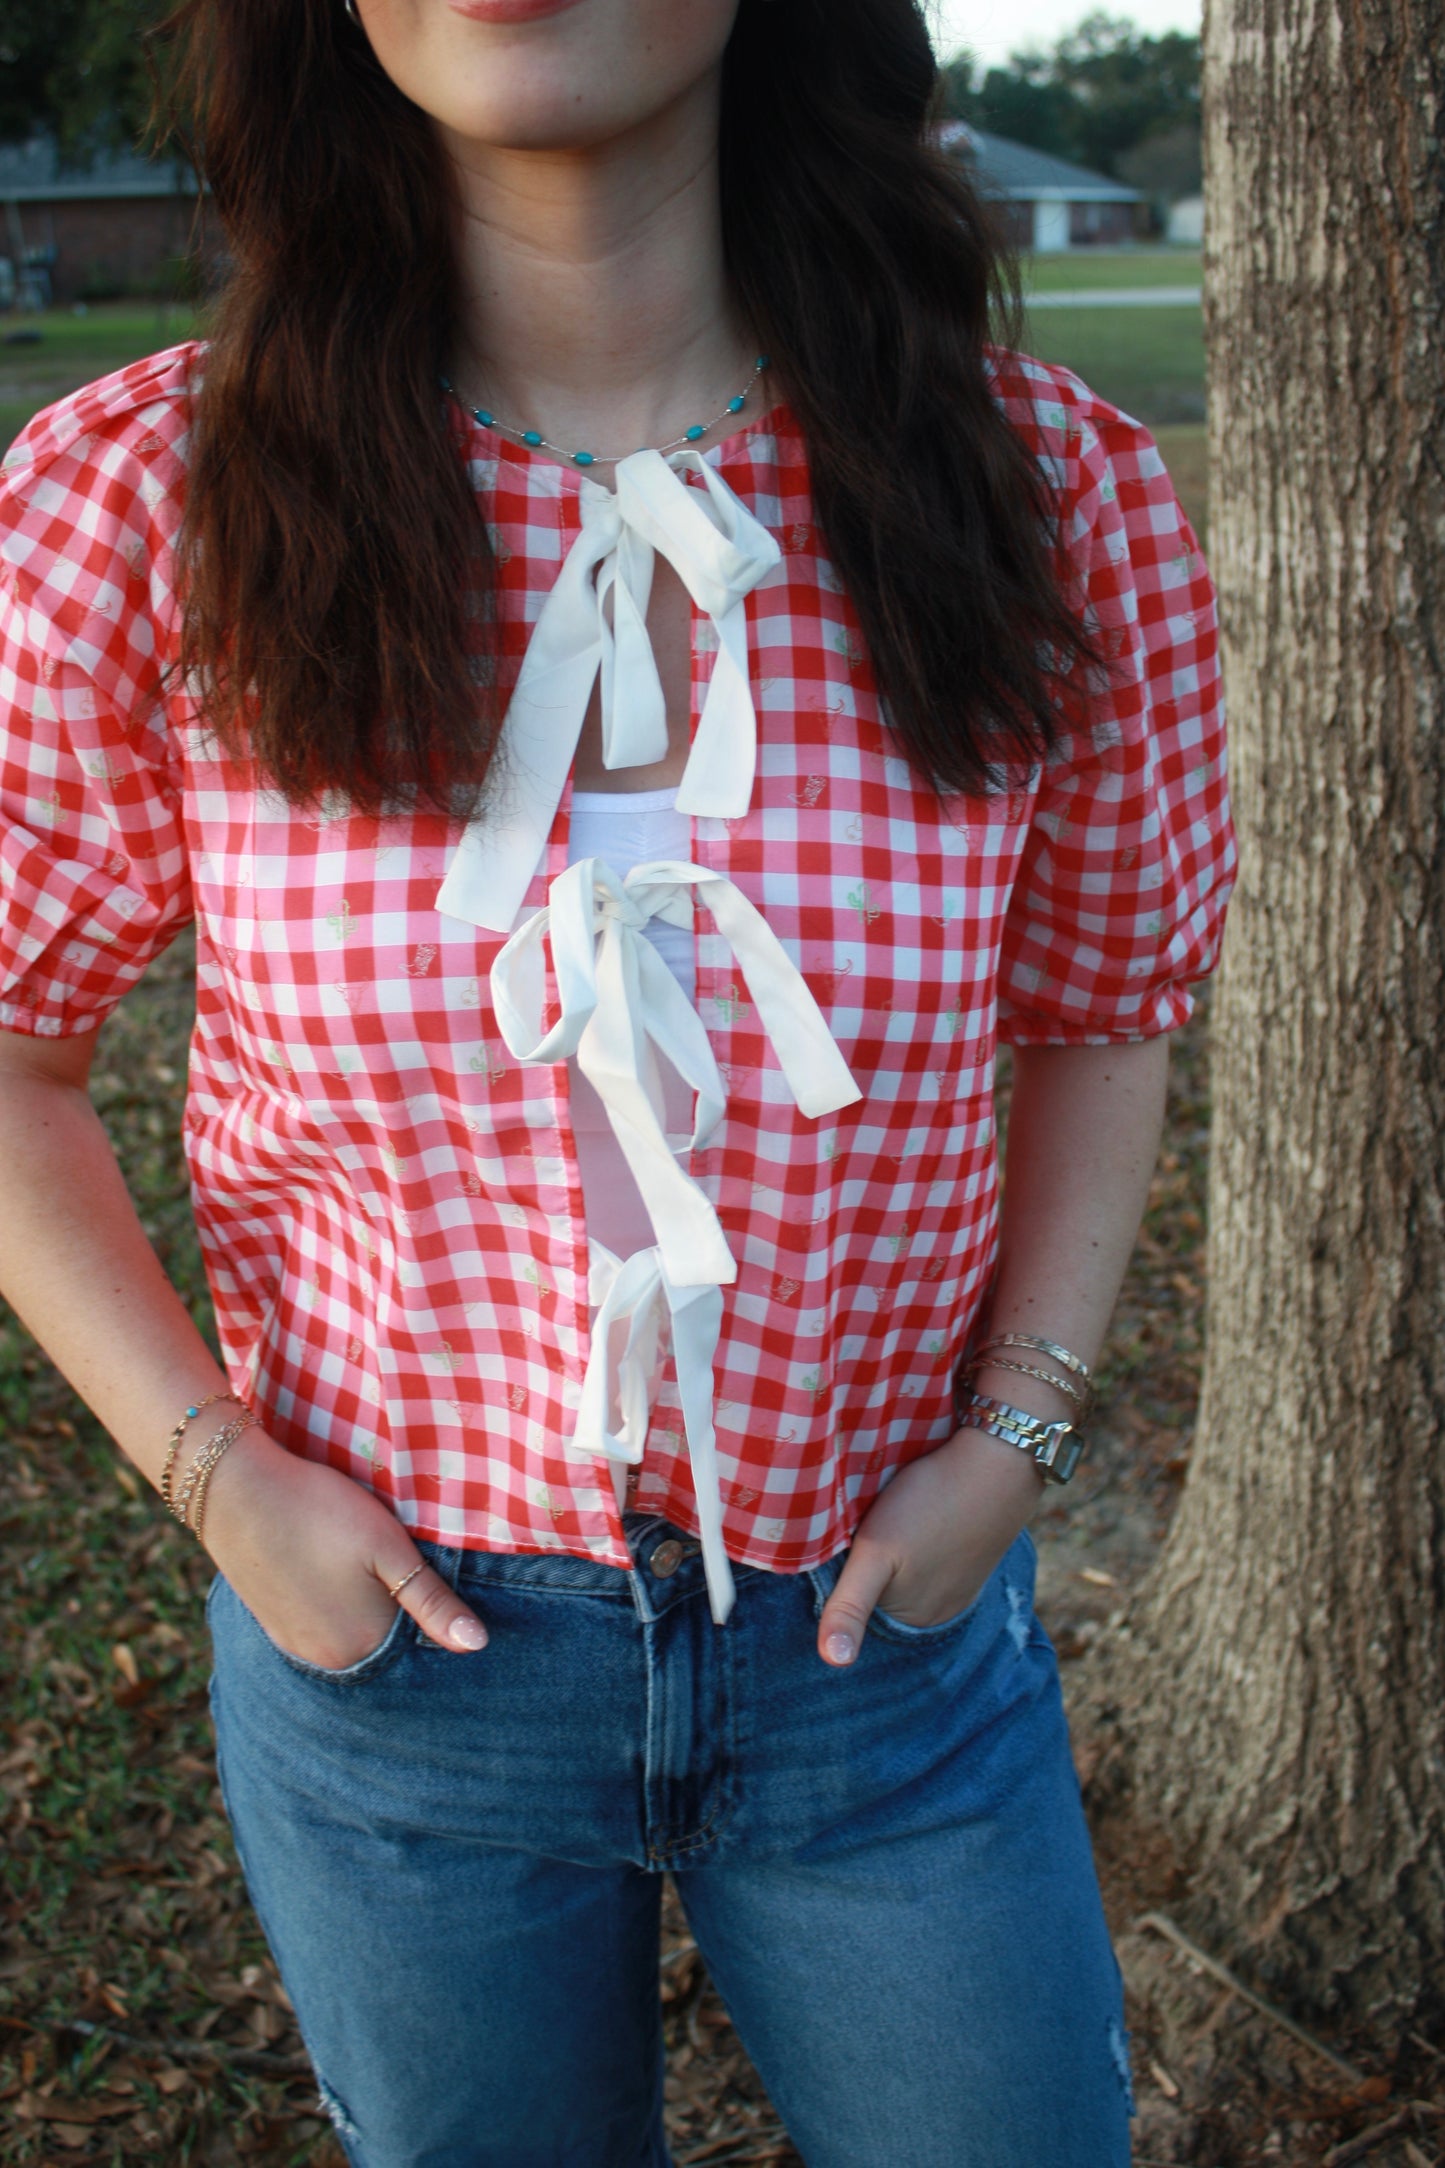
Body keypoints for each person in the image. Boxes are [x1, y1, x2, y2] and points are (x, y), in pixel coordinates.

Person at [0, 1, 1235, 2162]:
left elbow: (1101, 1010)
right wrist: (221, 1484)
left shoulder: (1049, 493)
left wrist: (1017, 1439)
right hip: (401, 1665)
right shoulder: (139, 506)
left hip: (884, 1657)